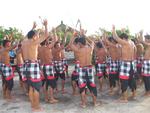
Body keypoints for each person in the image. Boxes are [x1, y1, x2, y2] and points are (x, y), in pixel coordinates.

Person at [21, 20, 48, 112]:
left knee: (31, 87)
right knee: (36, 87)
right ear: (33, 36)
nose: (37, 36)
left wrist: (32, 28)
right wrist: (46, 26)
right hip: (33, 65)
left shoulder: (24, 42)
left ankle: (33, 106)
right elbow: (46, 35)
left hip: (26, 65)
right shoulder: (34, 42)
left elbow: (26, 36)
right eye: (36, 35)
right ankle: (36, 107)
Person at [70, 32, 99, 108]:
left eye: (79, 43)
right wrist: (84, 35)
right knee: (92, 86)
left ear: (80, 43)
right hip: (89, 69)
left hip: (82, 69)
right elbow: (92, 42)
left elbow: (70, 45)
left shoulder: (78, 50)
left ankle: (84, 104)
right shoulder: (90, 49)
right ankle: (95, 103)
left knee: (82, 87)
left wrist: (73, 36)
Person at [112, 25, 137, 102]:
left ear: (123, 39)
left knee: (124, 81)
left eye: (121, 39)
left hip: (126, 64)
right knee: (132, 80)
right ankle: (134, 95)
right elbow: (135, 51)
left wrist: (113, 29)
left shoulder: (125, 43)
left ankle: (125, 98)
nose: (120, 41)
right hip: (132, 63)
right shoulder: (132, 42)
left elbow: (115, 37)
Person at [38, 31, 59, 104]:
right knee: (51, 84)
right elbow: (55, 39)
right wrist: (54, 31)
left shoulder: (39, 48)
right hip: (48, 67)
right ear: (46, 42)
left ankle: (46, 98)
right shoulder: (47, 48)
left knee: (46, 83)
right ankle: (51, 99)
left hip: (43, 66)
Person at [138, 31, 150, 96]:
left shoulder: (149, 44)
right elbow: (140, 41)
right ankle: (147, 91)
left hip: (148, 62)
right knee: (145, 77)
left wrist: (141, 34)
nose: (145, 40)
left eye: (146, 39)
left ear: (148, 39)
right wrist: (140, 35)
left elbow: (142, 41)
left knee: (147, 78)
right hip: (145, 62)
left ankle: (148, 92)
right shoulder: (147, 46)